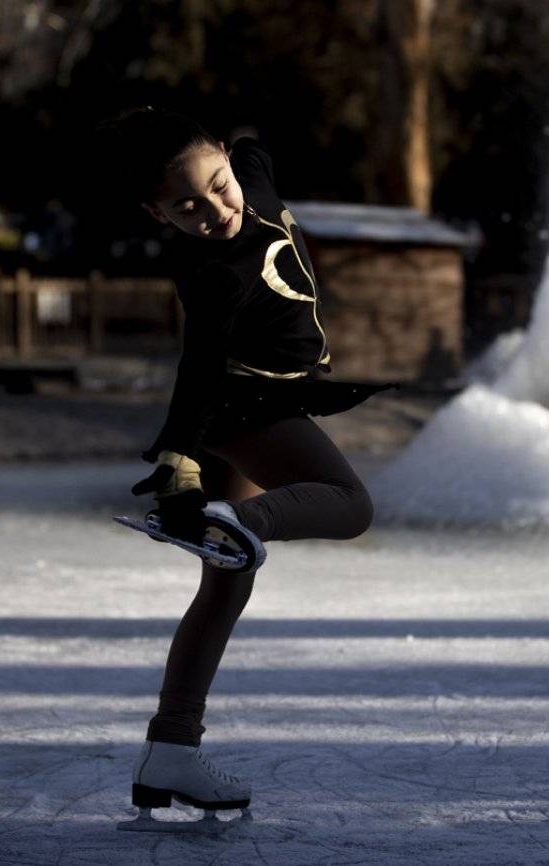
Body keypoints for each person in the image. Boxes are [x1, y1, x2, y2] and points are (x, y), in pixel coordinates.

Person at [93, 106, 396, 826]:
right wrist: (178, 456)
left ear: (229, 160)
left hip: (266, 398)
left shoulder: (251, 176)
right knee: (349, 506)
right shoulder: (212, 272)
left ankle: (172, 746)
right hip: (246, 405)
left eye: (219, 185)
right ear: (157, 213)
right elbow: (198, 370)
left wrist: (249, 138)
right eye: (187, 208)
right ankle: (237, 519)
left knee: (229, 579)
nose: (215, 211)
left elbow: (256, 146)